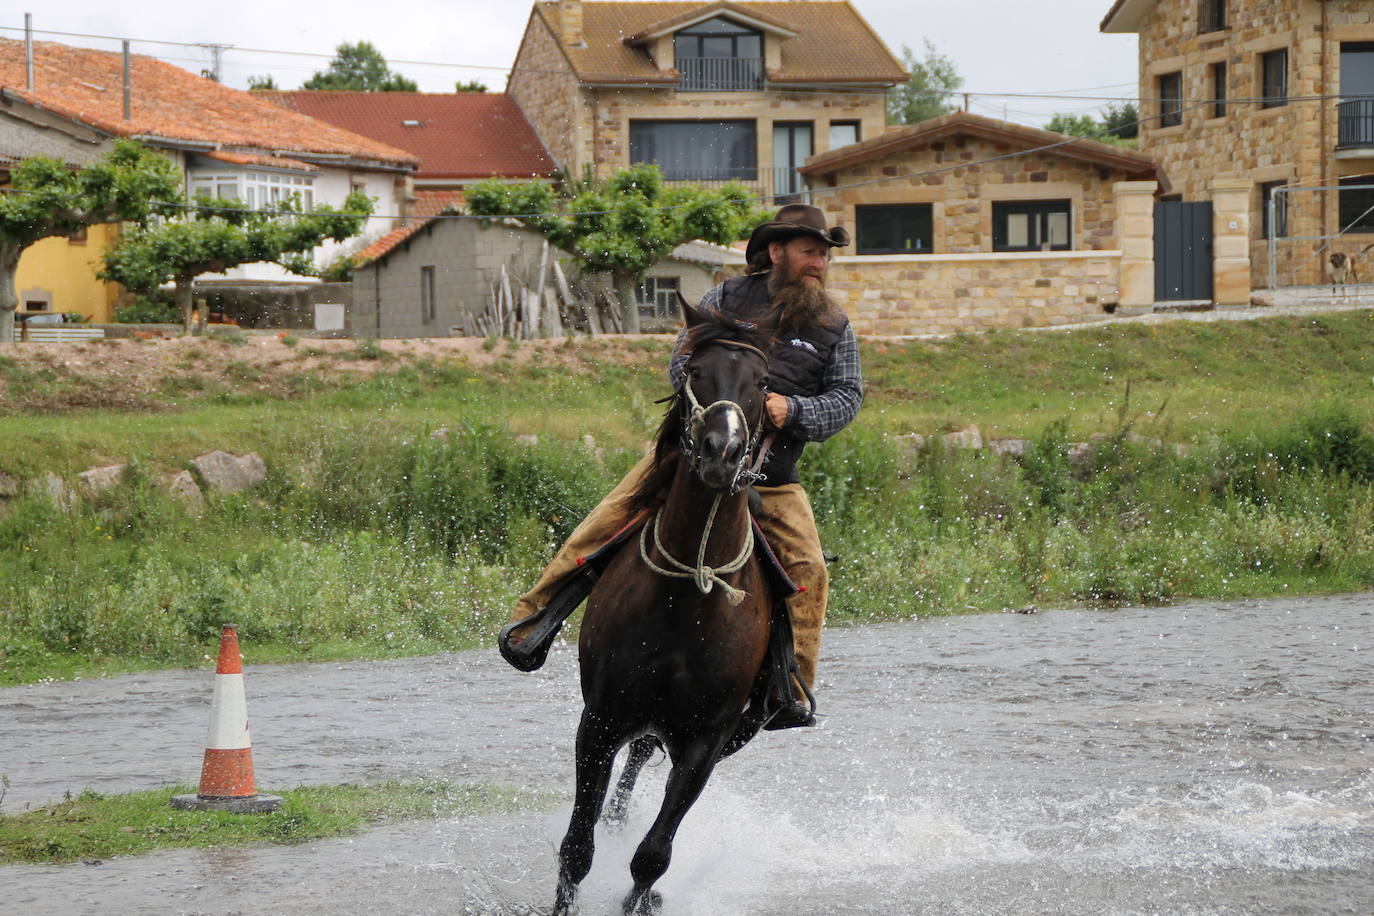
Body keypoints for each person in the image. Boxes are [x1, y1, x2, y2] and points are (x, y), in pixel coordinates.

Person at [500, 204, 863, 730]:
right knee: (611, 513)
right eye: (810, 252)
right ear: (777, 251)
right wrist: (718, 403)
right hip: (689, 459)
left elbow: (848, 398)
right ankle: (535, 618)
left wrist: (796, 410)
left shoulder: (834, 325)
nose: (819, 263)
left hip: (770, 474)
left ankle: (792, 687)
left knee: (810, 569)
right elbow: (680, 363)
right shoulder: (723, 298)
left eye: (824, 254)